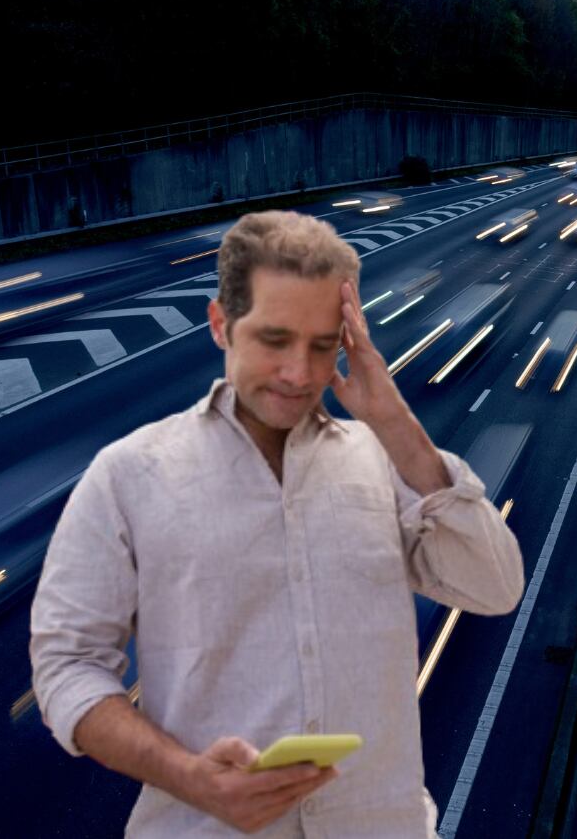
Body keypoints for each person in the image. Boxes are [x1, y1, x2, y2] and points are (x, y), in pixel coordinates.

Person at [30, 210, 524, 836]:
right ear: (220, 325)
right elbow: (66, 668)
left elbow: (496, 586)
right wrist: (189, 777)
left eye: (323, 346)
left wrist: (395, 421)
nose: (300, 373)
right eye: (274, 340)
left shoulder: (382, 458)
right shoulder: (128, 476)